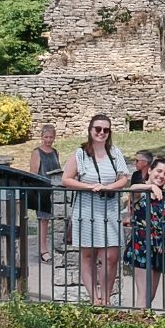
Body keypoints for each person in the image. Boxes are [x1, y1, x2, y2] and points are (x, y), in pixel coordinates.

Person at [64, 114, 131, 305]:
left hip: (109, 208)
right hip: (86, 208)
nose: (101, 133)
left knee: (111, 256)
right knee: (88, 255)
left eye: (106, 130)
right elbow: (66, 179)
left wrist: (109, 187)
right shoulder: (80, 154)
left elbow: (124, 177)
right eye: (98, 129)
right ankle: (95, 299)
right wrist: (90, 187)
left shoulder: (115, 152)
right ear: (90, 130)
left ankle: (106, 297)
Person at [123, 157, 165, 309]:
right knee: (143, 294)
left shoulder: (162, 193)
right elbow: (132, 188)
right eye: (159, 171)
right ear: (150, 170)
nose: (161, 176)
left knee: (151, 295)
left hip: (158, 247)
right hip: (141, 246)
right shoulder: (140, 191)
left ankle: (140, 322)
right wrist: (150, 187)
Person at [29, 124, 60, 264]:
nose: (48, 140)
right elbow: (33, 174)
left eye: (51, 137)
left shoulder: (55, 152)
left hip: (54, 189)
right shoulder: (37, 152)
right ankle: (43, 249)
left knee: (52, 221)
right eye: (46, 137)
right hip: (41, 190)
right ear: (42, 137)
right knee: (43, 220)